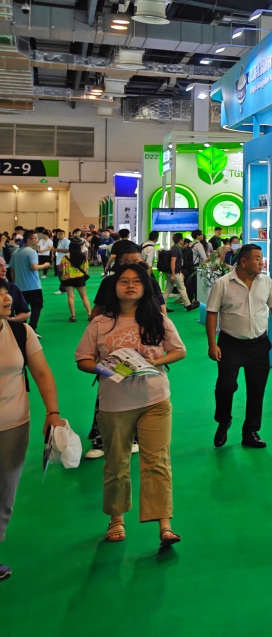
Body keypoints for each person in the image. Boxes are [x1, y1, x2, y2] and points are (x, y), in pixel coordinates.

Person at [74, 264, 186, 547]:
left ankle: (164, 524)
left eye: (137, 281)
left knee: (157, 461)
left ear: (145, 287)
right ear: (114, 288)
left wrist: (155, 361)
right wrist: (106, 369)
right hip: (114, 404)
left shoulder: (158, 319)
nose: (130, 286)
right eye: (124, 281)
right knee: (116, 463)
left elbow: (179, 350)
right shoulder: (99, 323)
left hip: (155, 400)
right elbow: (82, 359)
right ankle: (116, 518)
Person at [1, 289, 66, 580]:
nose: (7, 299)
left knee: (5, 493)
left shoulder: (20, 332)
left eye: (6, 293)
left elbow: (42, 373)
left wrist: (53, 413)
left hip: (13, 425)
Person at [83, 242, 166, 460]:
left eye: (137, 262)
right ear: (118, 262)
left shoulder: (150, 282)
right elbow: (96, 310)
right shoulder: (109, 283)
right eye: (127, 262)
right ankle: (100, 439)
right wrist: (98, 336)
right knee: (108, 393)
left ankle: (135, 438)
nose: (132, 267)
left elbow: (161, 308)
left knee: (145, 394)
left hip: (144, 350)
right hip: (112, 350)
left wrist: (160, 335)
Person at [205, 244, 272, 449]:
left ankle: (250, 431)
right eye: (257, 258)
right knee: (225, 387)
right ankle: (224, 420)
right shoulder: (222, 284)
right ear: (244, 261)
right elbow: (212, 314)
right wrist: (212, 344)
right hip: (230, 345)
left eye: (262, 258)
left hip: (259, 344)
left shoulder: (266, 282)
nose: (262, 262)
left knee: (256, 389)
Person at [10, 234, 52, 329]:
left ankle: (22, 329)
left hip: (20, 286)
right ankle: (32, 328)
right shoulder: (31, 252)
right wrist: (45, 265)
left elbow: (12, 270)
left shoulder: (16, 252)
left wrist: (15, 282)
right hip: (33, 286)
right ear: (28, 240)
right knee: (36, 307)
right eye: (35, 238)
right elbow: (34, 267)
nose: (37, 240)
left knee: (22, 309)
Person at [60, 236, 92, 322]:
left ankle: (73, 316)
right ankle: (90, 314)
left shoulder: (64, 258)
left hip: (67, 279)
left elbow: (60, 269)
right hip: (79, 278)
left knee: (70, 297)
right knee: (84, 296)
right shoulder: (83, 257)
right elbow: (86, 270)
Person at [188, 231, 209, 303]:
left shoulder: (190, 244)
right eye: (201, 234)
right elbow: (204, 258)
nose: (202, 236)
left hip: (189, 266)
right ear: (198, 236)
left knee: (190, 284)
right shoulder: (199, 245)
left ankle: (189, 300)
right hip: (196, 266)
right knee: (196, 284)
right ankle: (197, 300)